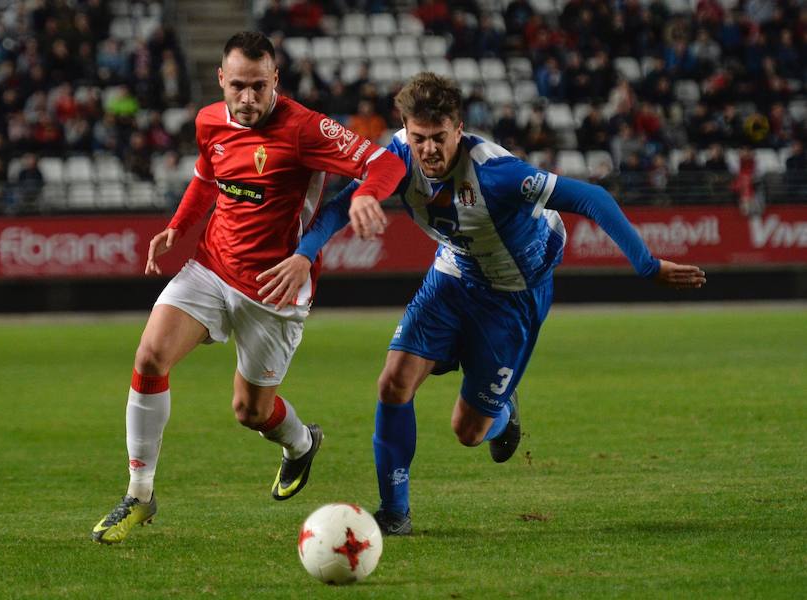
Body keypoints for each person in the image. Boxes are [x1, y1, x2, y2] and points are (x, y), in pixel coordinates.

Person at [258, 72, 706, 536]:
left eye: (438, 138)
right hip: (453, 274)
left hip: (513, 294)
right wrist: (304, 253)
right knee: (393, 382)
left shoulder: (497, 173)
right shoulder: (394, 157)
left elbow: (591, 198)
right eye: (418, 138)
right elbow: (338, 206)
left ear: (458, 129)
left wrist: (648, 265)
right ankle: (394, 512)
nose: (428, 150)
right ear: (406, 131)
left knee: (469, 431)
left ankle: (503, 411)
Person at [91, 31, 405, 545]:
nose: (249, 99)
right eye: (238, 86)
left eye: (260, 86)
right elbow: (206, 177)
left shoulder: (305, 128)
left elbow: (386, 161)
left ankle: (301, 443)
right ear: (221, 80)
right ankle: (140, 494)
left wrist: (366, 196)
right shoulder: (209, 120)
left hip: (274, 290)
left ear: (275, 79)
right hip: (211, 268)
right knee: (149, 358)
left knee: (251, 412)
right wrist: (178, 224)